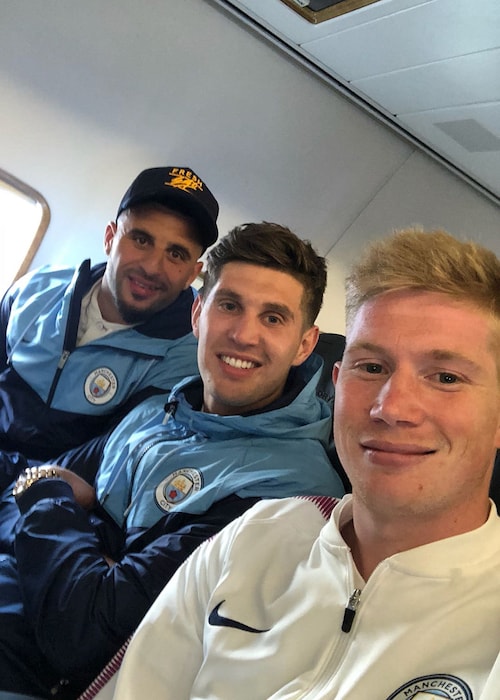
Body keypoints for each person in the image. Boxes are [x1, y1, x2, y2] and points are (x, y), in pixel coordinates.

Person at [94, 227, 500, 700]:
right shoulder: (259, 536)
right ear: (337, 381)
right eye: (371, 367)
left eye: (446, 377)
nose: (392, 408)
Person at [0, 222, 346, 699]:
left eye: (273, 318)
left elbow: (83, 633)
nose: (244, 334)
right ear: (198, 314)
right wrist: (82, 545)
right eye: (229, 306)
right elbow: (17, 492)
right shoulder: (155, 412)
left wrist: (54, 499)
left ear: (305, 344)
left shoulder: (288, 490)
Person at [0, 165, 219, 482]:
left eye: (175, 254)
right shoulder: (35, 290)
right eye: (141, 240)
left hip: (45, 491)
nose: (151, 267)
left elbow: (105, 456)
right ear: (110, 237)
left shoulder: (184, 359)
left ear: (191, 273)